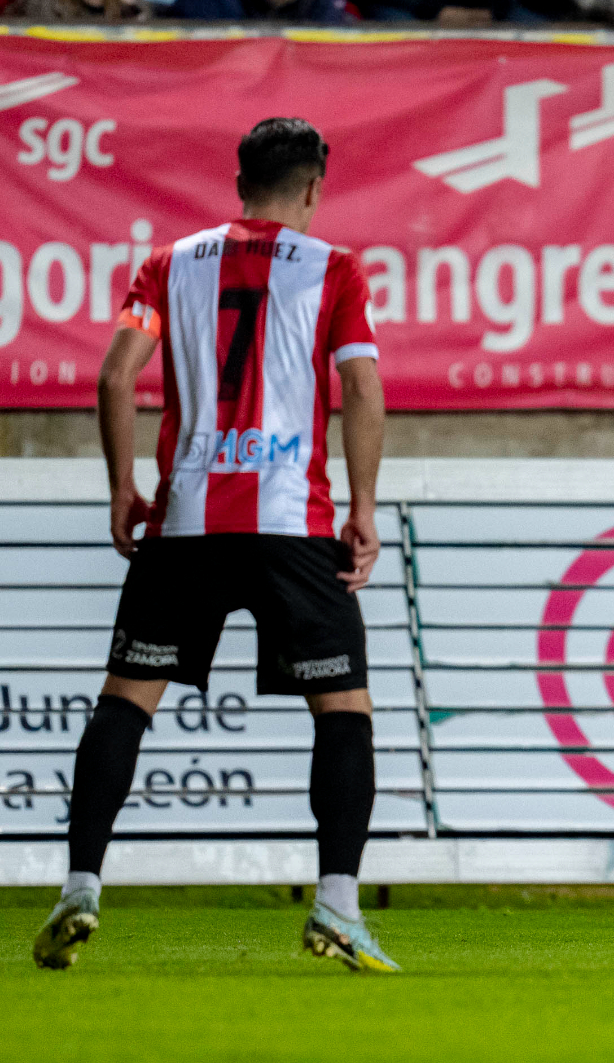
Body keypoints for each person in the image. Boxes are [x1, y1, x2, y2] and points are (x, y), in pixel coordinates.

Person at [31, 117, 397, 974]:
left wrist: (124, 488)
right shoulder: (334, 266)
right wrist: (366, 505)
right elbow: (359, 381)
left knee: (124, 703)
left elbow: (115, 374)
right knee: (343, 713)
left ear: (239, 181)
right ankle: (337, 907)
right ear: (312, 187)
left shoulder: (167, 262)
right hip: (289, 522)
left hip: (186, 521)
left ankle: (80, 887)